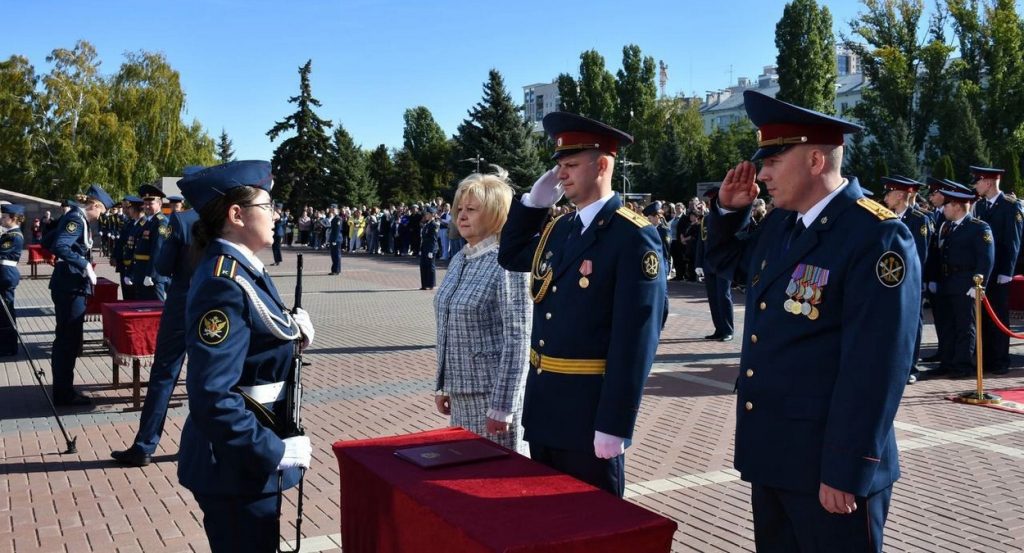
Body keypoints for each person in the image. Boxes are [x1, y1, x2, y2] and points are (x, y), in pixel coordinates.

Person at [704, 90, 919, 552]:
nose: (761, 174)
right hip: (776, 456)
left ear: (816, 160)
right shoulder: (783, 224)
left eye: (773, 161)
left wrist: (846, 468)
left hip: (828, 468)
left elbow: (877, 366)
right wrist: (728, 210)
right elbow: (728, 263)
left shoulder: (876, 235)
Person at [498, 112, 667, 497]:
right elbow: (510, 255)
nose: (561, 175)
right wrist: (532, 204)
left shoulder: (633, 237)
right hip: (545, 410)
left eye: (571, 165)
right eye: (559, 165)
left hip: (590, 416)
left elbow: (636, 340)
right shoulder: (561, 229)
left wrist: (615, 423)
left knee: (595, 531)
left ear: (603, 165)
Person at [176, 160, 315, 553]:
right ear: (236, 215)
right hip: (236, 465)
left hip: (245, 461)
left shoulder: (242, 268)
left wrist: (292, 336)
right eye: (267, 206)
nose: (275, 215)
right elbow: (211, 395)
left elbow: (251, 347)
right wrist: (274, 451)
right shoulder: (224, 281)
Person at [433, 168, 531, 451]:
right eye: (459, 208)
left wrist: (504, 404)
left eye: (472, 209)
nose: (461, 216)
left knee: (496, 480)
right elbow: (445, 326)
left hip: (492, 399)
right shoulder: (459, 260)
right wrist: (442, 385)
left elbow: (518, 339)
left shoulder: (508, 263)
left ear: (495, 214)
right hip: (461, 394)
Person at [112, 167, 204, 467]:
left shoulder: (180, 220)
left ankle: (144, 444)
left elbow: (163, 267)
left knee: (163, 375)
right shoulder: (226, 222)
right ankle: (201, 445)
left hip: (180, 304)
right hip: (214, 305)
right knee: (207, 379)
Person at [44, 184, 115, 406]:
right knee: (68, 340)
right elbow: (60, 246)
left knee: (68, 339)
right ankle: (64, 394)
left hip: (70, 284)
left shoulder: (77, 218)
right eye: (101, 211)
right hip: (70, 285)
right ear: (94, 205)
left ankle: (63, 389)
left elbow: (48, 240)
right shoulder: (76, 219)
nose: (100, 216)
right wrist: (83, 263)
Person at [926, 186, 994, 378]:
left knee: (965, 326)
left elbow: (985, 258)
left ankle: (962, 365)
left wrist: (979, 285)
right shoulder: (947, 226)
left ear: (956, 206)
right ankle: (947, 363)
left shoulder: (978, 227)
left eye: (947, 204)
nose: (944, 208)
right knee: (947, 325)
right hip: (947, 281)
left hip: (966, 283)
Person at [881, 176, 934, 384]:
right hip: (890, 280)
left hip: (910, 282)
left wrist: (912, 281)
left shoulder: (918, 219)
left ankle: (910, 366)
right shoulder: (889, 217)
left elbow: (920, 255)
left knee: (912, 324)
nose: (885, 197)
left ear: (900, 195)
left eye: (889, 193)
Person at [970, 165, 1022, 375]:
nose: (976, 185)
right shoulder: (981, 207)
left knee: (998, 316)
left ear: (989, 182)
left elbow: (1013, 242)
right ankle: (986, 358)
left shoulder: (1010, 206)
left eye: (978, 181)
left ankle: (1000, 360)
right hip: (985, 271)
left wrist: (1007, 271)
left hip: (1000, 271)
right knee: (982, 316)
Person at [696, 187, 734, 341]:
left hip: (723, 264)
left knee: (723, 295)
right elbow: (701, 243)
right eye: (709, 200)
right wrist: (698, 264)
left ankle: (728, 329)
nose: (710, 203)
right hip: (708, 264)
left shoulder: (729, 218)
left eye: (713, 200)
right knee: (713, 297)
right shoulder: (706, 219)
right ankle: (719, 328)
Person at [132, 184, 171, 301]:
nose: (147, 206)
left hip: (152, 275)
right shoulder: (147, 222)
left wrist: (151, 274)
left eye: (151, 203)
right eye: (145, 203)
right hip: (141, 271)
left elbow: (158, 249)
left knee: (157, 309)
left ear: (160, 204)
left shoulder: (161, 222)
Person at [0, 204, 26, 356]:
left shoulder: (15, 236)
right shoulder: (7, 234)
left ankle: (9, 347)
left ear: (14, 218)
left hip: (6, 275)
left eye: (4, 217)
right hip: (3, 274)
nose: (1, 220)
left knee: (6, 311)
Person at [419, 206, 441, 290]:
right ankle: (424, 284)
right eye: (426, 214)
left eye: (427, 214)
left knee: (430, 266)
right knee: (423, 266)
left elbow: (434, 239)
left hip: (430, 249)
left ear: (432, 215)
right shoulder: (426, 224)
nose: (426, 215)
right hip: (424, 248)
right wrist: (421, 249)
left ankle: (431, 284)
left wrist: (431, 251)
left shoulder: (434, 225)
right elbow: (423, 238)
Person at [328, 204, 342, 274]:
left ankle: (337, 270)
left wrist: (335, 240)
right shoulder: (334, 218)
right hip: (333, 238)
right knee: (333, 255)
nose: (332, 210)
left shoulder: (338, 218)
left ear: (337, 210)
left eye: (333, 209)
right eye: (331, 209)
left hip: (336, 239)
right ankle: (334, 270)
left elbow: (337, 230)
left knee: (337, 255)